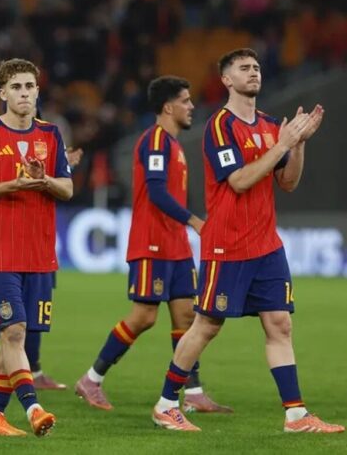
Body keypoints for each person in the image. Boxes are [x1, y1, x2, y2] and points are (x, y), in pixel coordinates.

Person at [151, 48, 343, 433]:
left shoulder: (271, 125)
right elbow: (238, 181)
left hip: (266, 245)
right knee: (207, 325)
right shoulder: (220, 126)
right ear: (226, 79)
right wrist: (282, 144)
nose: (253, 72)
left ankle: (296, 415)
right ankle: (167, 405)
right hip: (228, 244)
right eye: (243, 68)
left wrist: (298, 143)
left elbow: (287, 183)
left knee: (280, 324)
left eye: (256, 67)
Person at [74, 76, 230, 413]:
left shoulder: (174, 145)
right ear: (168, 107)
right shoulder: (155, 141)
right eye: (185, 101)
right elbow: (156, 192)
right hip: (152, 244)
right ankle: (91, 379)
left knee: (186, 317)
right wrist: (194, 221)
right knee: (144, 317)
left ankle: (194, 393)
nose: (191, 106)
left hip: (176, 246)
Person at [0, 58, 73, 436]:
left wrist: (44, 181)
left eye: (29, 86)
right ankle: (32, 408)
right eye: (16, 87)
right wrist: (14, 184)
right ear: (3, 93)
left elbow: (67, 188)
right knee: (13, 331)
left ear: (37, 91)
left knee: (14, 336)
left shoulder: (51, 134)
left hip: (38, 251)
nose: (24, 93)